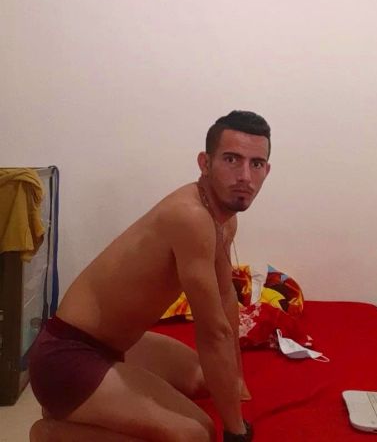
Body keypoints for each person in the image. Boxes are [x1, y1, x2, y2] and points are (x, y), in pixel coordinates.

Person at [29, 110, 271, 442]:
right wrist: (235, 431)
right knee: (196, 434)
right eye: (232, 159)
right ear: (205, 163)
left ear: (266, 171)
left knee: (205, 377)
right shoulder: (190, 216)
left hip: (118, 346)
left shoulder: (225, 219)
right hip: (66, 357)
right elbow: (212, 332)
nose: (245, 176)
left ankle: (83, 408)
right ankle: (51, 433)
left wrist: (237, 378)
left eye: (256, 164)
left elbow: (226, 295)